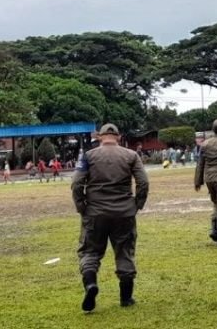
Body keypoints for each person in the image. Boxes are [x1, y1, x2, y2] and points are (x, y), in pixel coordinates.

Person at [72, 123, 149, 312]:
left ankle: (90, 284)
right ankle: (126, 297)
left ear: (99, 137)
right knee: (124, 252)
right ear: (119, 136)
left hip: (95, 212)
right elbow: (143, 182)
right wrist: (137, 204)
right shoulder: (131, 155)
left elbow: (76, 183)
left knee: (90, 252)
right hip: (124, 212)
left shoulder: (88, 156)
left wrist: (82, 206)